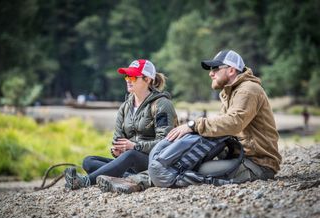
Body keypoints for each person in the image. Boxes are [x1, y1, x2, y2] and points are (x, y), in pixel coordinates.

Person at [95, 49, 282, 193]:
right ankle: (133, 180)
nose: (211, 73)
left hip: (257, 164)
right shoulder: (232, 91)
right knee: (190, 163)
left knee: (199, 169)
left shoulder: (248, 89)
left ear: (231, 70)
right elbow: (227, 128)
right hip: (239, 155)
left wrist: (193, 125)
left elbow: (234, 123)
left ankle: (135, 182)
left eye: (215, 68)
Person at [64, 59, 178, 190]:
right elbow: (117, 138)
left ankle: (85, 182)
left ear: (148, 80)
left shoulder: (162, 104)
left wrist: (136, 147)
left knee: (131, 155)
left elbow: (165, 142)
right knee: (88, 161)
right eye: (127, 76)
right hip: (129, 161)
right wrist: (116, 151)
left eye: (133, 77)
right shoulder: (124, 107)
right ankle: (125, 177)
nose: (128, 80)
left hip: (155, 161)